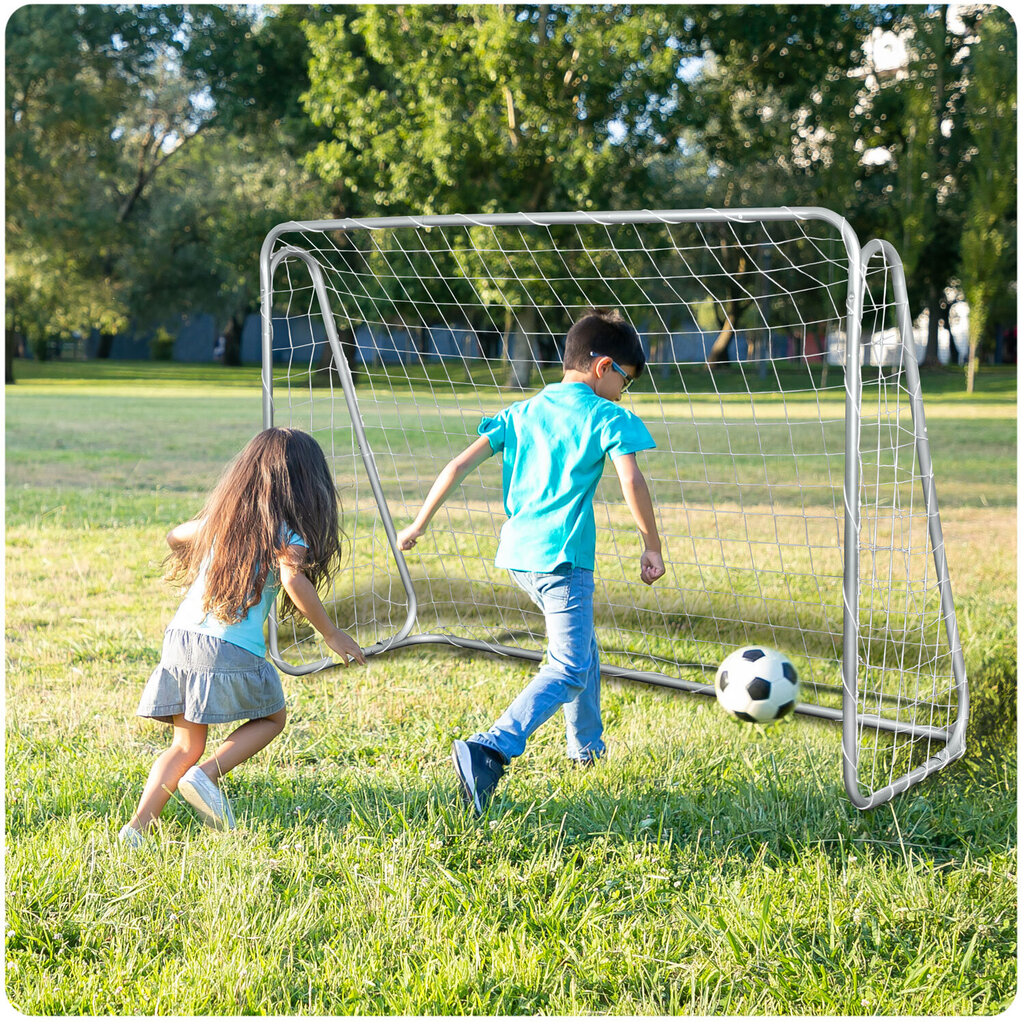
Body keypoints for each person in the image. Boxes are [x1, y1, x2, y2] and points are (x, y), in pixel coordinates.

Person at [397, 309, 665, 813]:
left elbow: (456, 464)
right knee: (567, 667)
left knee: (582, 651)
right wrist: (651, 544)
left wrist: (418, 523)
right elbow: (631, 479)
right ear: (604, 367)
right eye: (625, 383)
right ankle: (490, 748)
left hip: (520, 557)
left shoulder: (520, 412)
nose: (623, 394)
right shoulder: (606, 416)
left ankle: (587, 751)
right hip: (563, 562)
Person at [119, 428, 365, 845]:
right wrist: (331, 633)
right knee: (272, 718)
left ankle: (137, 828)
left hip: (181, 638)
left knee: (183, 744)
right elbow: (292, 578)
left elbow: (176, 535)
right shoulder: (287, 534)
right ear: (307, 484)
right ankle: (206, 775)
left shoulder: (225, 520)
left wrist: (197, 547)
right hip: (226, 645)